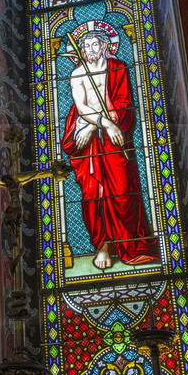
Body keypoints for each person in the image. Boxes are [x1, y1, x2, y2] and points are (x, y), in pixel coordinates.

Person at [61, 28, 160, 269]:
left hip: (116, 137)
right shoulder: (77, 73)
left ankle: (131, 243)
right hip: (90, 140)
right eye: (85, 46)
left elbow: (125, 102)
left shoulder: (118, 68)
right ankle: (103, 246)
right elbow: (81, 107)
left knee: (123, 190)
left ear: (105, 46)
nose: (89, 50)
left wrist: (109, 126)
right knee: (94, 193)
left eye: (95, 44)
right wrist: (100, 125)